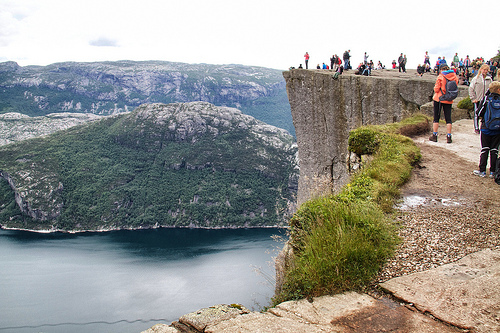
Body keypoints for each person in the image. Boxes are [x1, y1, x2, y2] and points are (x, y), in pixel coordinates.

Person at [472, 81, 500, 177]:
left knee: (485, 149)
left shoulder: (486, 99)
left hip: (486, 128)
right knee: (494, 150)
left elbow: (479, 112)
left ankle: (482, 170)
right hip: (498, 129)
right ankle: (493, 171)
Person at [429, 64, 459, 143]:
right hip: (449, 99)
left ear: (441, 69)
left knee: (436, 118)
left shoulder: (441, 76)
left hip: (439, 99)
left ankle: (435, 135)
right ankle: (449, 136)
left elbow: (436, 89)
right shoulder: (454, 77)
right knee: (448, 119)